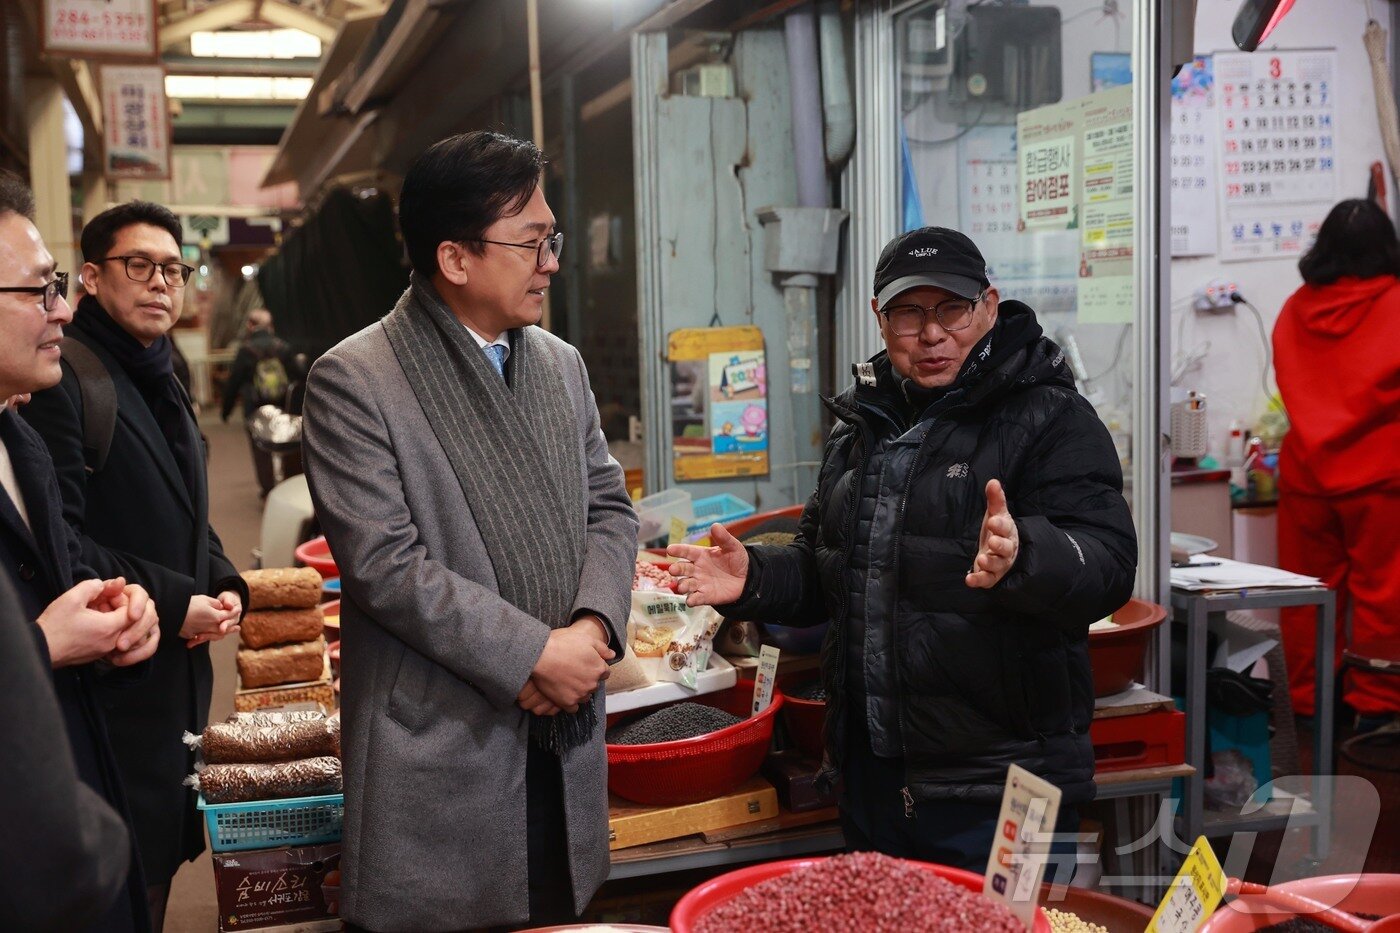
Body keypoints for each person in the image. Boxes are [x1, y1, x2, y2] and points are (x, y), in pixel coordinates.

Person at [669, 227, 1137, 871]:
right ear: (879, 318)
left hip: (1002, 783)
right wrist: (752, 576)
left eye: (951, 308)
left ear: (989, 306)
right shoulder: (863, 426)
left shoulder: (1050, 417)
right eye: (909, 313)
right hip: (875, 777)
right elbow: (827, 570)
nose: (932, 333)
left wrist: (1027, 554)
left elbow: (1109, 565)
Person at [301, 131, 637, 931]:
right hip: (447, 734)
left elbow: (610, 507)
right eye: (532, 241)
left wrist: (590, 628)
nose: (551, 259)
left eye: (550, 238)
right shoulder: (356, 378)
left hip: (564, 723)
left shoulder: (560, 364)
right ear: (454, 258)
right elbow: (386, 564)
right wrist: (532, 652)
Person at [20, 199, 247, 931]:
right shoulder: (65, 382)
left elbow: (184, 504)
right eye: (139, 266)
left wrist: (222, 578)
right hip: (112, 680)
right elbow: (62, 541)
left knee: (158, 853)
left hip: (172, 683)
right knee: (126, 876)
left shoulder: (161, 366)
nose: (160, 284)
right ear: (89, 276)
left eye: (173, 270)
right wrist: (180, 600)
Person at [0, 169, 160, 932]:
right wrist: (40, 645)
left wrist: (120, 602)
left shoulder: (19, 440)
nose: (62, 308)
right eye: (39, 290)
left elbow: (64, 559)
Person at [1273, 198, 1400, 730]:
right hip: (1381, 475)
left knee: (1307, 598)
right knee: (1383, 594)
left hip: (1307, 474)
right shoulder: (1395, 302)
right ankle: (1376, 709)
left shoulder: (1296, 306)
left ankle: (1307, 704)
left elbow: (1286, 378)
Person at [220, 307, 297, 420]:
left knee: (257, 434)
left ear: (250, 324)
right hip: (281, 403)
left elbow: (234, 380)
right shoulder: (283, 347)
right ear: (270, 325)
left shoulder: (246, 350)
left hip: (254, 405)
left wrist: (226, 410)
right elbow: (294, 375)